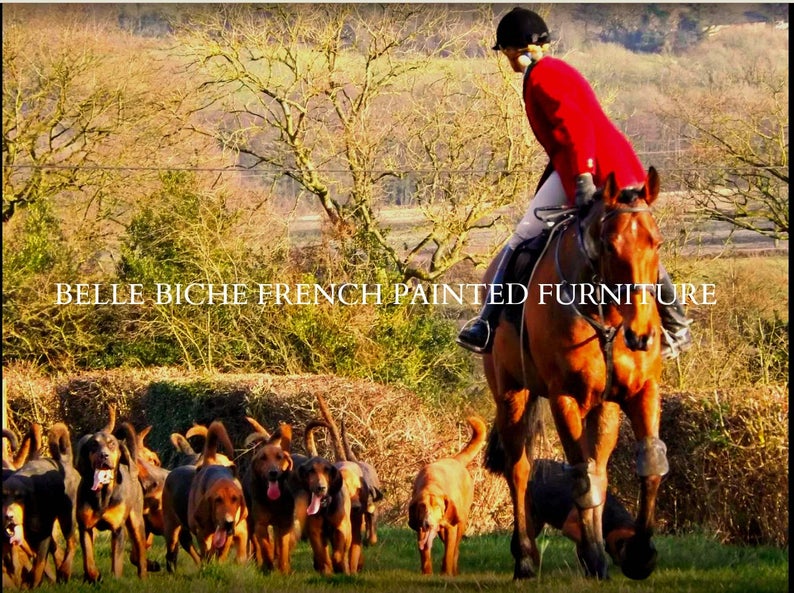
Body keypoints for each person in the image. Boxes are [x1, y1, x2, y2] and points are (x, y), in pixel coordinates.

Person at [456, 7, 692, 358]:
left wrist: (583, 175)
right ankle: (677, 326)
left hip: (594, 170)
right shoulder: (559, 69)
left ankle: (487, 323)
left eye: (505, 52)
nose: (506, 60)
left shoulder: (541, 76)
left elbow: (575, 128)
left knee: (522, 236)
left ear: (517, 50)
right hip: (620, 167)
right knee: (634, 248)